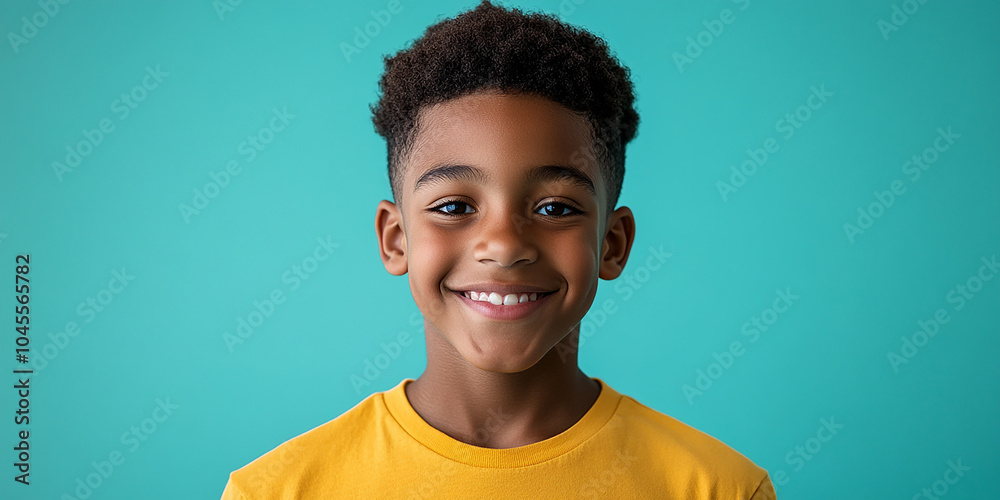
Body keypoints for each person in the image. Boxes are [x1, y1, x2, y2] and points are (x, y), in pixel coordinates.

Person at [221, 1, 776, 498]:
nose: (505, 246)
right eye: (454, 207)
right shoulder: (278, 490)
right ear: (396, 240)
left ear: (612, 244)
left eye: (555, 208)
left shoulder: (714, 487)